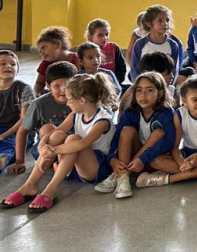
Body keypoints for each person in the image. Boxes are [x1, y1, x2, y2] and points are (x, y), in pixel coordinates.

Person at [1, 74, 118, 212]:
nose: (67, 104)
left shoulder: (102, 121)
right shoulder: (76, 114)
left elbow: (82, 144)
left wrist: (53, 150)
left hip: (96, 168)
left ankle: (50, 190)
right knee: (58, 134)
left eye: (69, 100)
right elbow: (54, 132)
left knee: (73, 139)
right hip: (76, 164)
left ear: (82, 100)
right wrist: (43, 145)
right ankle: (30, 185)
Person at [96, 72, 177, 198]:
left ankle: (121, 173)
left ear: (160, 93)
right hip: (134, 158)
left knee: (158, 133)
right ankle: (123, 179)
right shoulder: (130, 112)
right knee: (127, 130)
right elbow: (117, 137)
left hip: (155, 158)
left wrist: (143, 158)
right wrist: (112, 158)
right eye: (139, 90)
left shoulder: (167, 113)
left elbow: (169, 141)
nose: (143, 95)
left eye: (149, 90)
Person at [8, 61, 77, 175]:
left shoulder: (81, 101)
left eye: (68, 85)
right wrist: (19, 162)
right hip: (46, 149)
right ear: (48, 86)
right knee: (47, 128)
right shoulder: (39, 104)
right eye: (57, 86)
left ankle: (64, 166)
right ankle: (54, 164)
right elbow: (22, 131)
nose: (63, 90)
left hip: (72, 148)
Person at [0, 51, 35, 171]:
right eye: (2, 64)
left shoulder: (23, 89)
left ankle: (2, 160)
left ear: (17, 69)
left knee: (9, 145)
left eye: (12, 64)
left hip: (19, 131)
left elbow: (25, 119)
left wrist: (4, 135)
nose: (8, 66)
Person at [130, 6, 183, 83]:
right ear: (149, 24)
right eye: (160, 21)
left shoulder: (173, 45)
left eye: (167, 20)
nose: (165, 23)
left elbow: (174, 70)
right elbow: (134, 69)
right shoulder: (140, 44)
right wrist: (140, 85)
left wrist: (167, 85)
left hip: (165, 85)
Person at [32, 27, 80, 95]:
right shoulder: (45, 63)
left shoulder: (77, 59)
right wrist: (37, 96)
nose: (42, 53)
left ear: (58, 44)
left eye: (44, 48)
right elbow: (39, 83)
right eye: (40, 51)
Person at [85, 18, 128, 86]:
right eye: (100, 35)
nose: (104, 38)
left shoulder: (114, 47)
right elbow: (83, 72)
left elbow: (121, 69)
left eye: (106, 34)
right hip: (92, 85)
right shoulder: (86, 50)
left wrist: (113, 83)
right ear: (91, 37)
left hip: (113, 84)